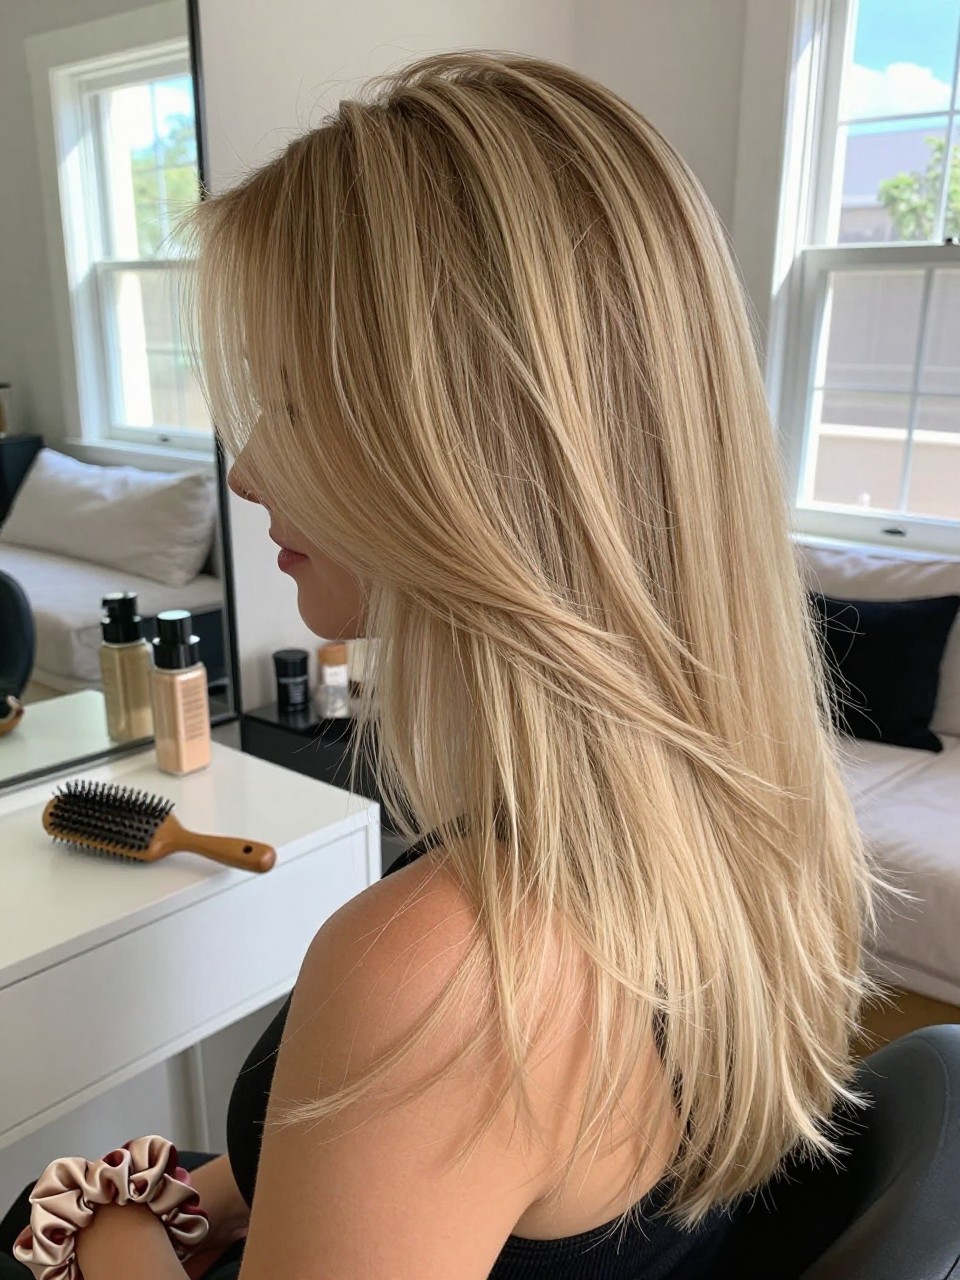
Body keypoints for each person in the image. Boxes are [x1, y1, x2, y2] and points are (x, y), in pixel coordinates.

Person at [1, 52, 874, 1280]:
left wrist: (112, 1231)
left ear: (459, 451)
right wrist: (227, 1183)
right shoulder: (758, 811)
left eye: (298, 401)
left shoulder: (444, 973)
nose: (246, 469)